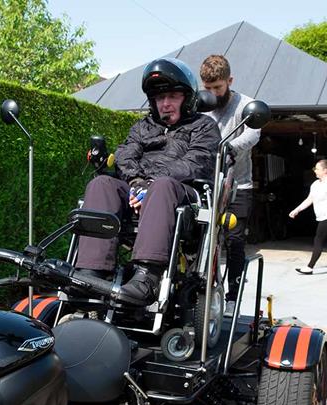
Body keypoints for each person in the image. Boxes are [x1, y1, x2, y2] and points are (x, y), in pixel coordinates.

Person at [75, 57, 220, 305]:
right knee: (101, 184)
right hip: (139, 188)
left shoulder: (204, 126)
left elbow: (195, 163)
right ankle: (91, 272)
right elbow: (125, 154)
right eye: (159, 98)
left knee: (162, 186)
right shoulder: (143, 127)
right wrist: (136, 183)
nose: (165, 103)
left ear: (188, 98)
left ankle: (147, 277)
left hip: (183, 193)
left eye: (172, 96)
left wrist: (150, 184)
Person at [199, 55, 260, 317]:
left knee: (234, 242)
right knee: (197, 238)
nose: (212, 94)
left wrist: (227, 149)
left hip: (238, 187)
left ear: (230, 81)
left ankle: (233, 297)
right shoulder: (199, 105)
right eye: (208, 88)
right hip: (205, 185)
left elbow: (253, 133)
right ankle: (198, 291)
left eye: (218, 88)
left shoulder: (245, 105)